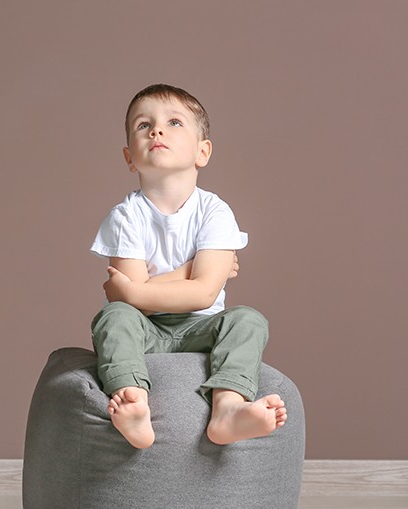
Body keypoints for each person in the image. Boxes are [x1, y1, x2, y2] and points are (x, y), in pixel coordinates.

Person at [90, 84, 287, 449]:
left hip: (202, 327)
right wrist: (190, 271)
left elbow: (203, 295)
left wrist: (138, 289)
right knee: (114, 317)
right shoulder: (125, 217)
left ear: (202, 151)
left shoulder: (215, 212)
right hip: (145, 330)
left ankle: (228, 409)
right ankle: (134, 403)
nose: (157, 131)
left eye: (174, 122)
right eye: (143, 125)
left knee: (248, 320)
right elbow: (135, 306)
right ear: (129, 157)